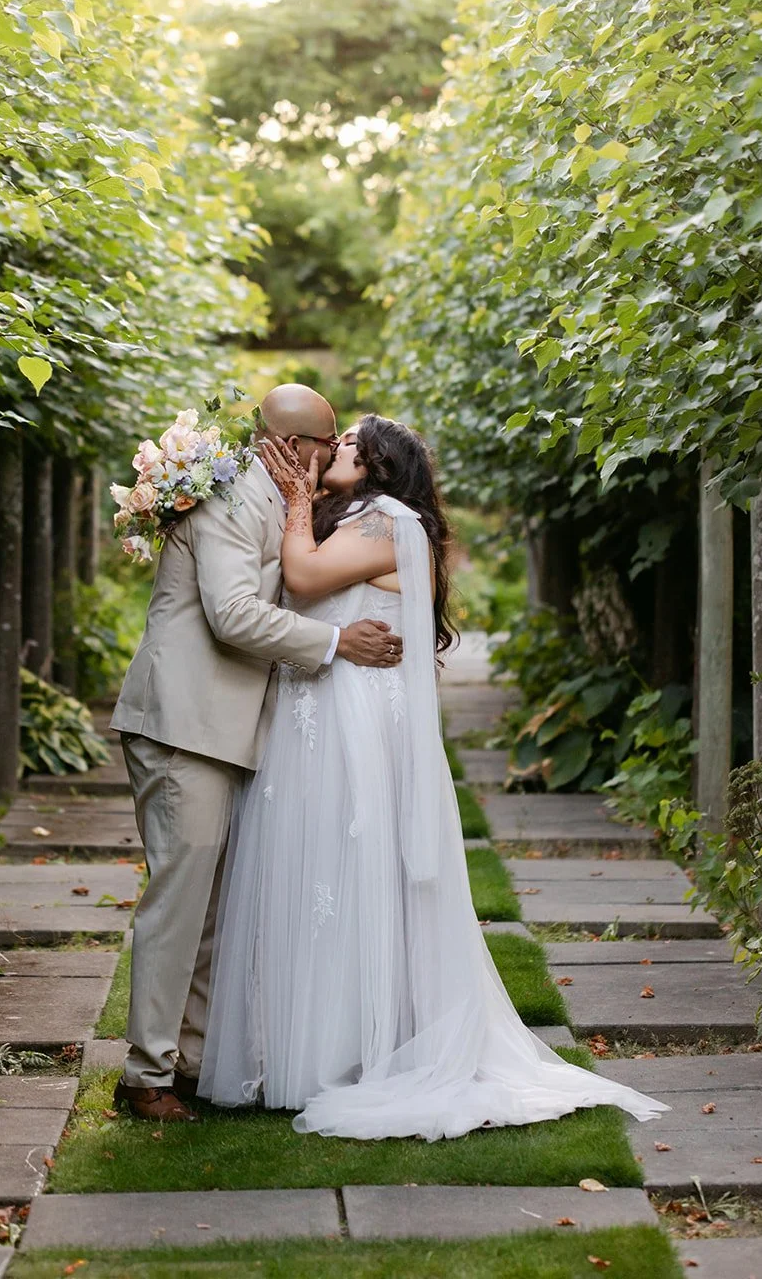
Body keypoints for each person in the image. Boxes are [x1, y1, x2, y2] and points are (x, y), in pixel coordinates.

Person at [198, 414, 666, 1139]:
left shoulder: (387, 520)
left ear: (380, 464)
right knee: (314, 870)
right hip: (318, 709)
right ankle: (298, 1044)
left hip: (351, 718)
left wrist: (292, 500)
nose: (333, 448)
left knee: (343, 869)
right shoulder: (358, 518)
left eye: (349, 443)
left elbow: (302, 577)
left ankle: (347, 1050)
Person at [108, 385, 404, 1123]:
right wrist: (337, 643)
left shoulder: (277, 499)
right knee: (179, 905)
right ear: (294, 446)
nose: (334, 456)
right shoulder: (234, 500)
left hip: (222, 727)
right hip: (183, 723)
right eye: (328, 443)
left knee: (210, 910)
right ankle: (144, 1075)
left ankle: (191, 1064)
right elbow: (232, 614)